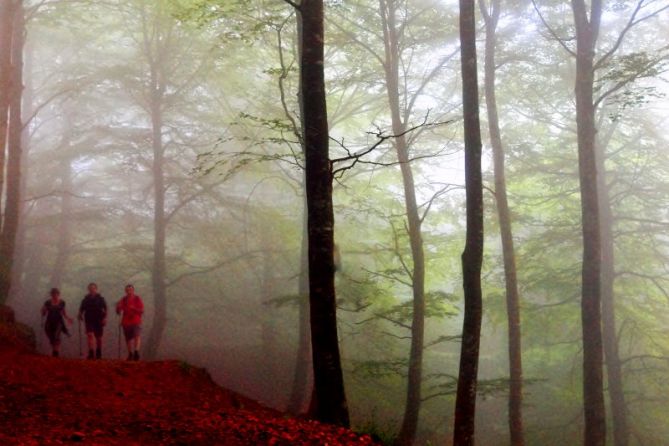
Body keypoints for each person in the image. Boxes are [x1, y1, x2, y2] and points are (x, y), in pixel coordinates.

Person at [41, 288, 73, 357]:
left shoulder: (62, 302)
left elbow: (63, 312)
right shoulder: (48, 302)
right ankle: (54, 350)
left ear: (58, 294)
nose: (54, 295)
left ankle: (56, 352)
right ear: (51, 294)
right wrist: (43, 310)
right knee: (50, 335)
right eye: (53, 294)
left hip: (59, 322)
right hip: (49, 321)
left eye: (56, 294)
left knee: (56, 336)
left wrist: (68, 318)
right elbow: (44, 313)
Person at [78, 283, 107, 359]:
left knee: (99, 337)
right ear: (88, 289)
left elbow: (106, 309)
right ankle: (91, 352)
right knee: (90, 335)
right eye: (90, 288)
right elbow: (81, 308)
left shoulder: (100, 299)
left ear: (96, 289)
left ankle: (98, 351)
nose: (92, 290)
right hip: (88, 319)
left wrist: (105, 318)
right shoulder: (85, 299)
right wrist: (80, 314)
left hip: (99, 318)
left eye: (93, 288)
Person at [116, 284, 144, 361]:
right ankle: (130, 353)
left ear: (133, 290)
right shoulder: (123, 299)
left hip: (136, 320)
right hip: (126, 322)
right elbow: (118, 311)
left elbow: (142, 310)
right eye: (127, 290)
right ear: (125, 291)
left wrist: (134, 308)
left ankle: (136, 352)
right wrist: (118, 307)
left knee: (136, 336)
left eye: (130, 290)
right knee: (128, 338)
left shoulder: (137, 298)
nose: (129, 291)